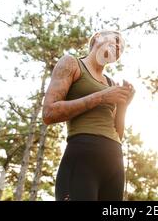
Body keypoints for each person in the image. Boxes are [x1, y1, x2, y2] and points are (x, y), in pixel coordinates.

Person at [42, 30, 134, 201]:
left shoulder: (111, 83)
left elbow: (117, 134)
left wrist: (123, 105)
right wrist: (101, 97)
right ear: (97, 38)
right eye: (115, 39)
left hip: (114, 160)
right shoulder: (72, 64)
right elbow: (49, 113)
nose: (119, 46)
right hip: (82, 157)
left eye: (122, 46)